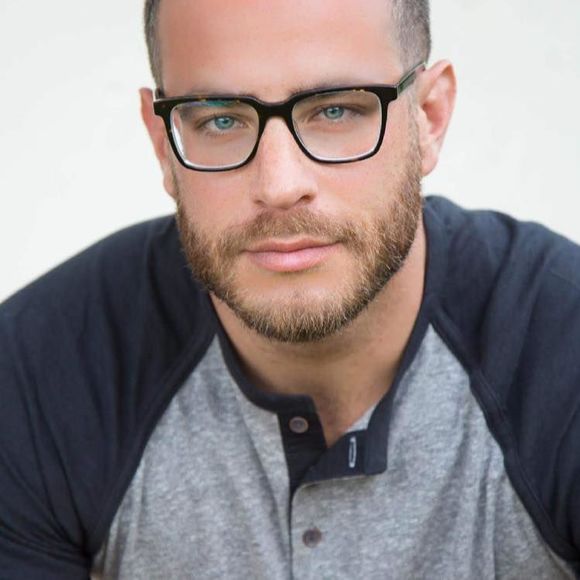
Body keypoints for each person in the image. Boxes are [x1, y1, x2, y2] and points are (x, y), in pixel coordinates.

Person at [0, 0, 579, 578]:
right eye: (220, 120)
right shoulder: (35, 374)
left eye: (335, 110)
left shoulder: (565, 351)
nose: (279, 185)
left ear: (428, 116)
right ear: (163, 143)